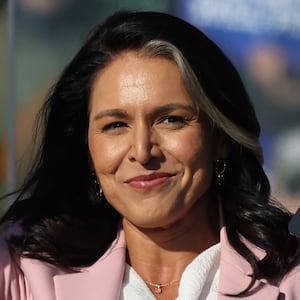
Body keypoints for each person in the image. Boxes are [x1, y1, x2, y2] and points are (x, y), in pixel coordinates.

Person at [0, 11, 299, 300]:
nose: (142, 152)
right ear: (87, 149)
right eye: (115, 125)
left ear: (220, 137)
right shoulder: (21, 272)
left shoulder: (292, 276)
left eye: (171, 119)